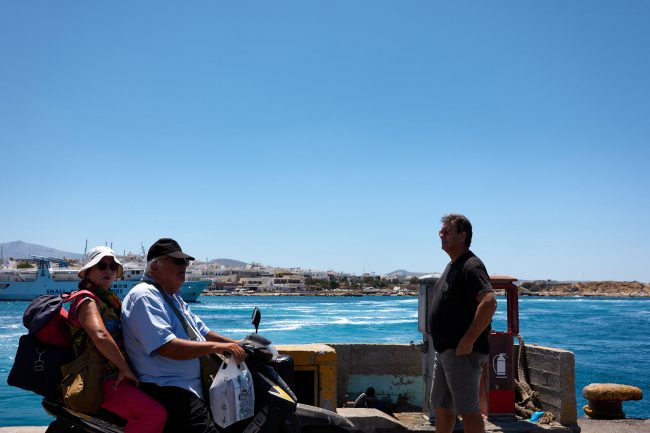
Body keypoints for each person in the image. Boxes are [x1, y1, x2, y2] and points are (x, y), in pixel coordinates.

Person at [121, 238, 246, 433]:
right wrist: (219, 348)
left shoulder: (172, 297)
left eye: (185, 262)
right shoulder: (145, 296)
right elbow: (167, 347)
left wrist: (238, 344)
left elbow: (202, 332)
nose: (185, 266)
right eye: (177, 261)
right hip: (168, 388)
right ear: (155, 266)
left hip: (191, 387)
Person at [69, 246, 166, 433]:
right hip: (101, 378)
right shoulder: (86, 300)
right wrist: (124, 369)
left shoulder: (110, 300)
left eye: (112, 267)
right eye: (101, 266)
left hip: (118, 372)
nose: (108, 270)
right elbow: (100, 335)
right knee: (153, 415)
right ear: (88, 271)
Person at [428, 214, 497, 433]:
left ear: (462, 235)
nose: (441, 235)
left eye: (447, 231)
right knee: (442, 407)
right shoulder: (452, 266)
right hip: (444, 351)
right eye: (440, 231)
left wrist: (468, 340)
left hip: (462, 353)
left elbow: (489, 302)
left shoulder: (471, 265)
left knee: (468, 411)